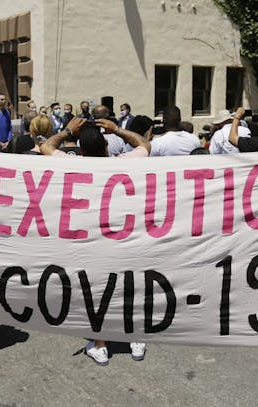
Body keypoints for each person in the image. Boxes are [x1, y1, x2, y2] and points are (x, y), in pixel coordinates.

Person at [41, 116, 150, 365]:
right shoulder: (123, 163)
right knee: (128, 287)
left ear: (80, 149)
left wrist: (68, 130)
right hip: (124, 237)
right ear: (106, 147)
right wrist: (118, 129)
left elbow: (47, 146)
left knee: (95, 291)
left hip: (89, 241)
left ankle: (100, 345)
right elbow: (145, 145)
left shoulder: (73, 164)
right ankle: (135, 340)